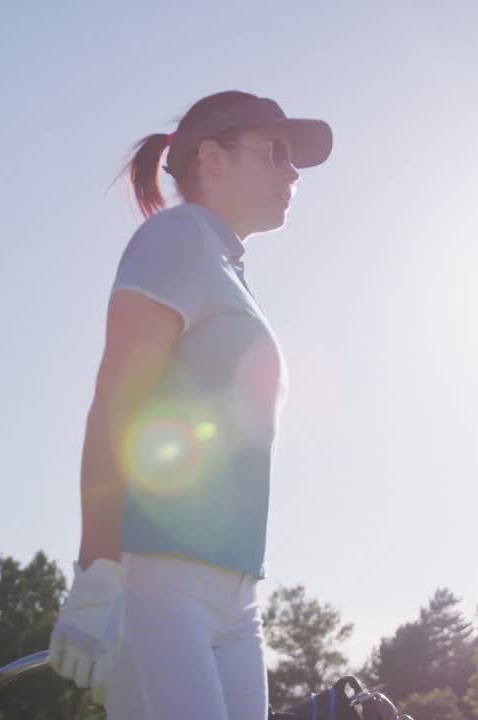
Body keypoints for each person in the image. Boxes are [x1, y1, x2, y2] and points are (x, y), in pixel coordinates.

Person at [47, 90, 333, 720]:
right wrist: (99, 569)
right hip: (162, 579)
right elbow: (115, 405)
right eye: (277, 152)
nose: (293, 173)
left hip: (237, 594)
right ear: (213, 157)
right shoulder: (176, 238)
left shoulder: (226, 266)